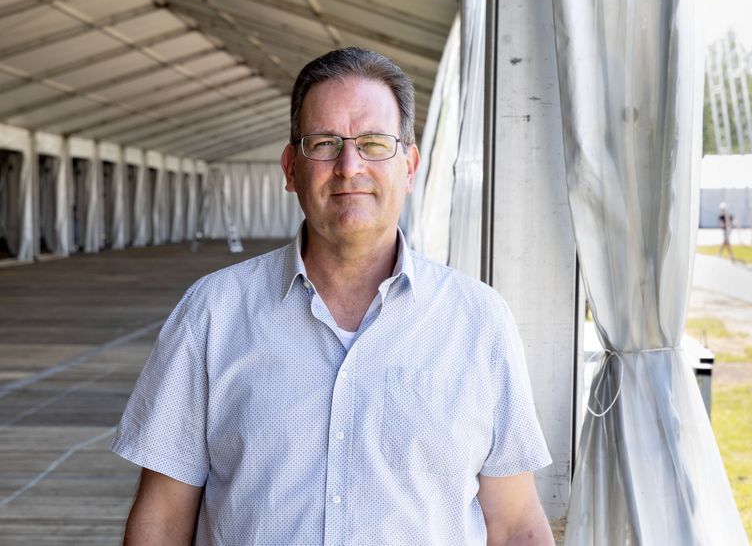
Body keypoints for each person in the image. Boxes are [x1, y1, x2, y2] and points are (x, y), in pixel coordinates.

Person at [111, 47, 554, 545]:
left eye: (373, 143)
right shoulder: (212, 313)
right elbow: (163, 519)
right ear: (290, 168)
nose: (349, 166)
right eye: (323, 143)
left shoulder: (478, 320)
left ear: (409, 166)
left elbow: (517, 525)